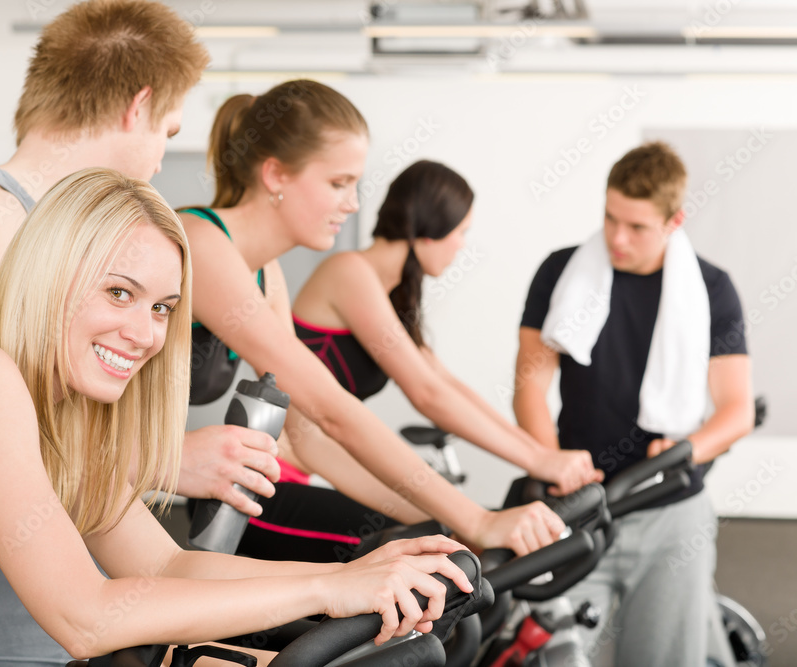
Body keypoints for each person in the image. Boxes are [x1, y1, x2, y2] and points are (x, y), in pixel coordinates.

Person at [0, 168, 474, 658]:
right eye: (119, 291)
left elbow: (163, 566)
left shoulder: (54, 417)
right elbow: (85, 616)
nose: (145, 331)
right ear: (51, 276)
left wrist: (352, 577)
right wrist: (330, 594)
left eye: (161, 306)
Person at [0, 3, 278, 665]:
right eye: (167, 132)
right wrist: (164, 457)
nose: (157, 163)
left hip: (66, 627)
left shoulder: (84, 235)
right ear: (138, 106)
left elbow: (156, 558)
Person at [182, 80, 566, 565]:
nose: (354, 204)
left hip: (167, 487)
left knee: (425, 549)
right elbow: (331, 409)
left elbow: (312, 437)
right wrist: (479, 520)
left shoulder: (268, 276)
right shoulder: (200, 241)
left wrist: (441, 519)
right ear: (276, 174)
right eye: (338, 184)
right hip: (119, 489)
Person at [512, 141, 753, 666]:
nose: (618, 238)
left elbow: (736, 409)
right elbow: (529, 384)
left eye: (637, 227)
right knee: (553, 655)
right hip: (579, 507)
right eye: (610, 218)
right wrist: (548, 460)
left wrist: (687, 447)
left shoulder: (712, 289)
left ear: (674, 219)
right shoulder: (560, 273)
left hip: (670, 511)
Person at [290, 160, 602, 496]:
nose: (462, 245)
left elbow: (444, 383)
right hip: (282, 471)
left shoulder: (390, 293)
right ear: (428, 228)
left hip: (316, 471)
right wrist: (538, 460)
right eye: (460, 232)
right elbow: (427, 394)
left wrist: (543, 456)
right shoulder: (350, 272)